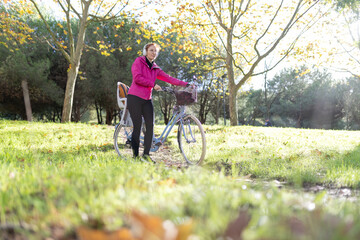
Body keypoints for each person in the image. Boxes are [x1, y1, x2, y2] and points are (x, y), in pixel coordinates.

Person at [127, 43, 189, 162]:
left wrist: (185, 84)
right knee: (138, 126)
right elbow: (137, 78)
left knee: (150, 126)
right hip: (134, 97)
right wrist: (153, 85)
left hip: (146, 99)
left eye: (155, 51)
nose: (153, 53)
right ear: (145, 51)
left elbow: (169, 78)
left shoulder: (155, 68)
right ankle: (135, 157)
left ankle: (146, 155)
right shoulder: (139, 61)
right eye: (151, 50)